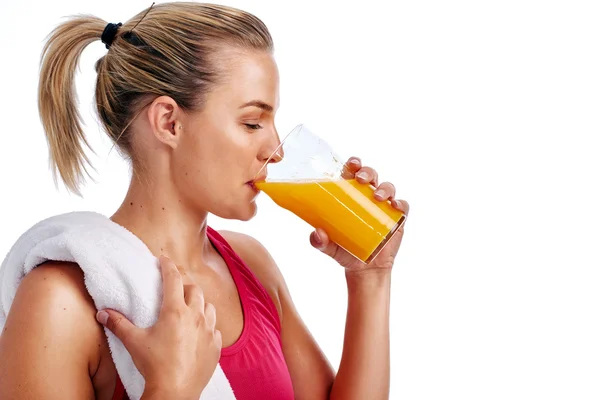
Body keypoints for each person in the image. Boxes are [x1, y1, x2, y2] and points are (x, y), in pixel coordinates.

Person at [0, 2, 409, 399]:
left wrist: (370, 278)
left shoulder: (251, 266)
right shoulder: (60, 302)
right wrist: (169, 389)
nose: (275, 149)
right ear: (169, 122)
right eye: (252, 122)